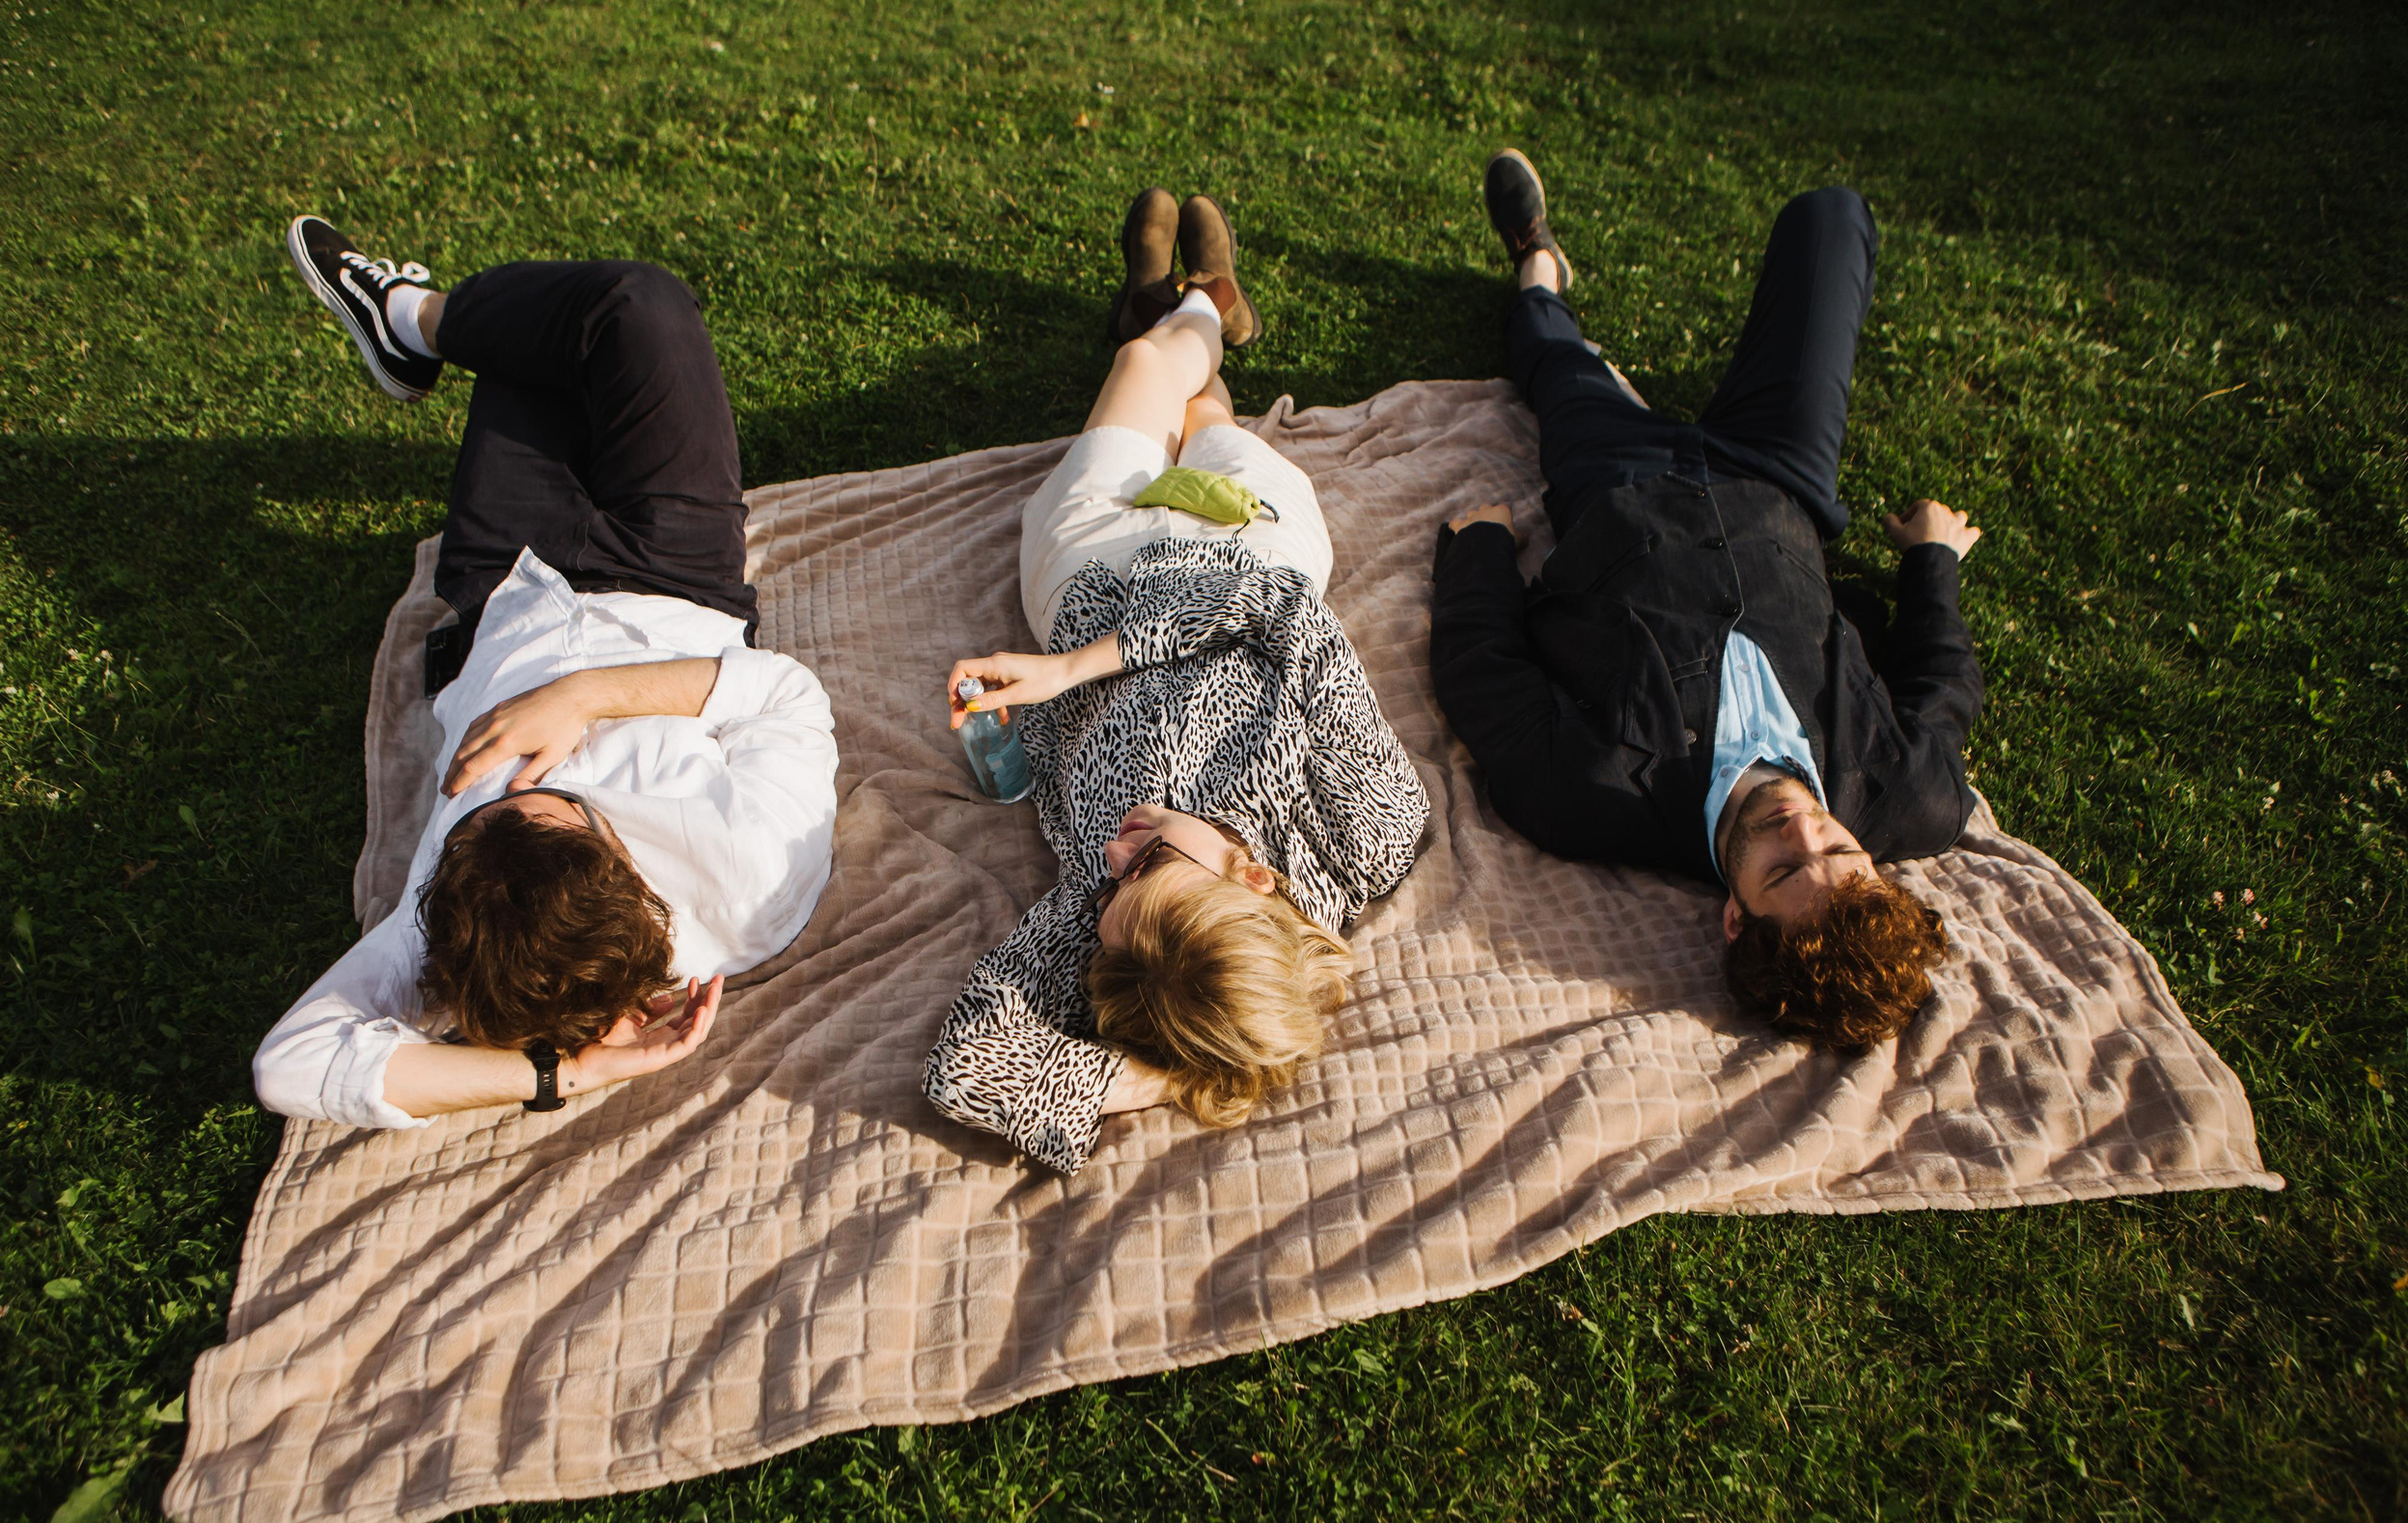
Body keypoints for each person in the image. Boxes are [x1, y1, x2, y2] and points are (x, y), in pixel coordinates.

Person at [253, 218, 839, 1128]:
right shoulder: (752, 879)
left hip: (505, 592)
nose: (528, 778)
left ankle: (409, 324)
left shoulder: (455, 926)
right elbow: (787, 694)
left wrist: (545, 1075)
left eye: (483, 810)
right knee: (638, 306)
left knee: (525, 358)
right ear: (625, 866)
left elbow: (284, 1064)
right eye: (554, 801)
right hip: (673, 574)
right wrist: (587, 696)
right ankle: (411, 317)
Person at [923, 190, 1429, 1175]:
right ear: (1253, 877)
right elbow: (1285, 610)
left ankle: (1177, 311)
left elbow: (965, 1064)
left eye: (1114, 883)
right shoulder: (1371, 833)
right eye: (1149, 858)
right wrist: (1073, 673)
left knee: (1144, 372)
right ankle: (1208, 302)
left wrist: (1176, 1071)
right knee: (1206, 415)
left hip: (1093, 570)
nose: (1115, 851)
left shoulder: (1117, 920)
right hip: (1248, 544)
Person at [1430, 153, 1985, 1053]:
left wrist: (1482, 548)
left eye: (1784, 869)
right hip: (1779, 479)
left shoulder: (1588, 794)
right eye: (1840, 851)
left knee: (1547, 350)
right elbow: (1945, 683)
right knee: (1831, 217)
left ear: (1734, 917)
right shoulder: (1911, 793)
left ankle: (1537, 261)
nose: (1803, 828)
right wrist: (1933, 560)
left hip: (1614, 482)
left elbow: (1479, 671)